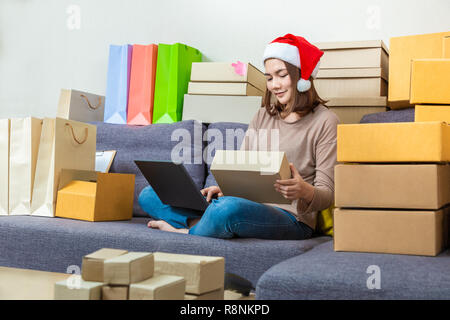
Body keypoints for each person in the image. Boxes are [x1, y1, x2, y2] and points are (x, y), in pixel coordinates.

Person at [138, 33, 339, 240]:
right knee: (149, 194)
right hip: (245, 204)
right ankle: (204, 225)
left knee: (226, 209)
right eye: (269, 78)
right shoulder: (263, 115)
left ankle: (187, 232)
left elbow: (327, 194)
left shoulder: (325, 121)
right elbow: (243, 170)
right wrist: (225, 188)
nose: (274, 85)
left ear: (302, 77)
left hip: (292, 218)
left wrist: (304, 190)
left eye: (282, 75)